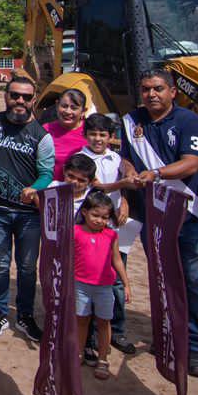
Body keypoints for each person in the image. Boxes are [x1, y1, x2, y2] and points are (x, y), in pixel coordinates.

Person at [119, 69, 198, 379]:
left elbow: (192, 162)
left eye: (158, 89)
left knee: (197, 282)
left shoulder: (190, 122)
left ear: (173, 92)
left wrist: (157, 174)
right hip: (155, 216)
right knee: (163, 278)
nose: (152, 94)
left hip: (193, 214)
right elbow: (125, 157)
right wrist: (131, 171)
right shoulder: (132, 120)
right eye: (146, 89)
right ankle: (169, 337)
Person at [0, 75, 54, 343]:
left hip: (28, 215)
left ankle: (25, 316)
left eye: (26, 97)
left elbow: (47, 172)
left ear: (34, 99)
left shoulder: (42, 135)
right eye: (15, 95)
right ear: (6, 96)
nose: (20, 101)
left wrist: (36, 187)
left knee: (26, 268)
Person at [74, 121, 137, 355]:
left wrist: (126, 199)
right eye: (93, 134)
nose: (98, 139)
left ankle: (116, 331)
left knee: (116, 279)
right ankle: (89, 338)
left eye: (103, 134)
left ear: (110, 136)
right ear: (86, 135)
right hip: (91, 225)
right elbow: (98, 187)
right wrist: (123, 183)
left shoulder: (116, 158)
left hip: (114, 227)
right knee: (88, 280)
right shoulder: (82, 158)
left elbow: (126, 174)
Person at [71, 187, 126, 382]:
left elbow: (117, 260)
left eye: (104, 217)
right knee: (81, 320)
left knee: (104, 322)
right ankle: (78, 353)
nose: (99, 220)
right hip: (80, 285)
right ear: (84, 212)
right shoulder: (75, 231)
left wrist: (126, 284)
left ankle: (102, 358)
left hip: (104, 287)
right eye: (95, 215)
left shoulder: (111, 235)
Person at [45, 89, 91, 180]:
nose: (68, 111)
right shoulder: (45, 130)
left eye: (74, 108)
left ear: (83, 111)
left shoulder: (92, 132)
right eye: (64, 106)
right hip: (52, 189)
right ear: (57, 105)